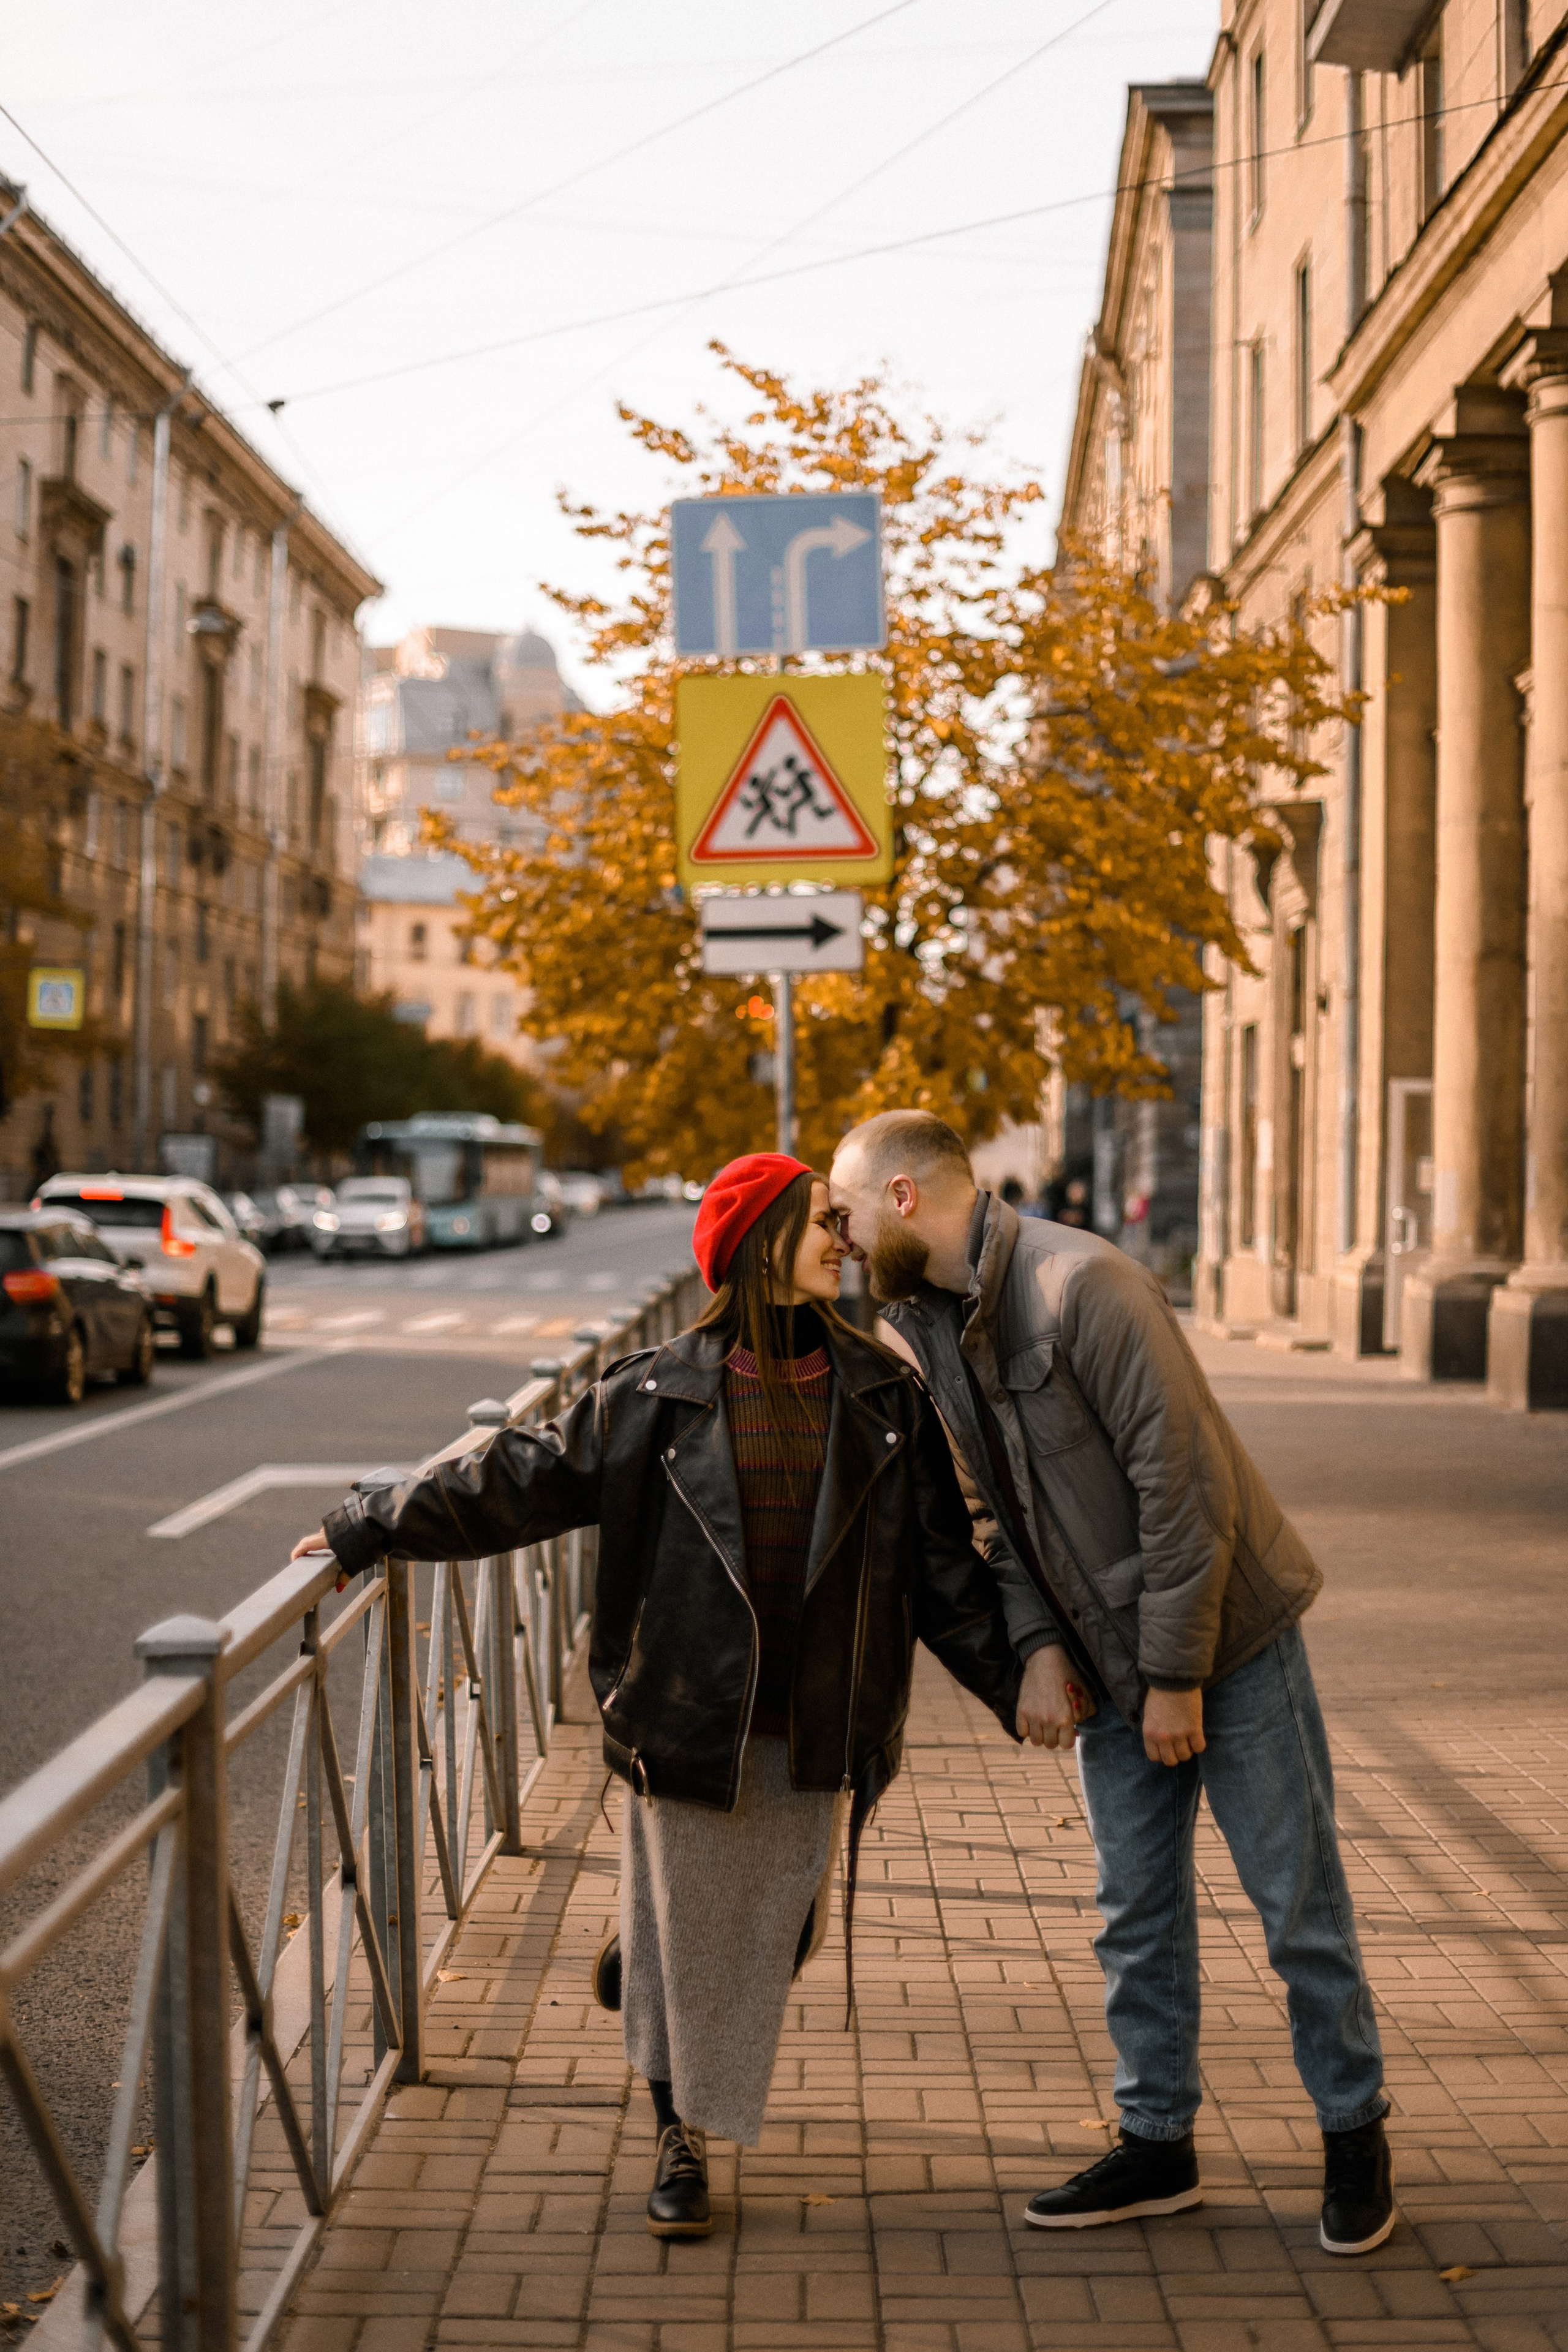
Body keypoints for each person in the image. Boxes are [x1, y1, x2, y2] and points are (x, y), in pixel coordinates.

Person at [291, 1152, 1020, 2241]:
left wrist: (1023, 1681)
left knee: (774, 1931)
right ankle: (680, 2135)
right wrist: (373, 1519)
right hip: (686, 1711)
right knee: (700, 1944)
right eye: (821, 1220)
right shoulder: (653, 1391)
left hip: (817, 1720)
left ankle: (649, 1957)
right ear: (759, 1243)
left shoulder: (883, 1394)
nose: (844, 1237)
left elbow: (946, 1570)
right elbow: (520, 1476)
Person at [827, 1110, 1395, 2258]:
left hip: (1224, 1647)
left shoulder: (1085, 1285)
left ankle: (1354, 2138)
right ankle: (1158, 2144)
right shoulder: (923, 1321)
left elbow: (1188, 1494)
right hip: (1098, 1659)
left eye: (840, 1213)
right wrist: (1038, 1647)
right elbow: (997, 1512)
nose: (835, 1239)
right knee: (1135, 1915)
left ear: (899, 1200)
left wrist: (1178, 1677)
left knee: (1296, 1906)